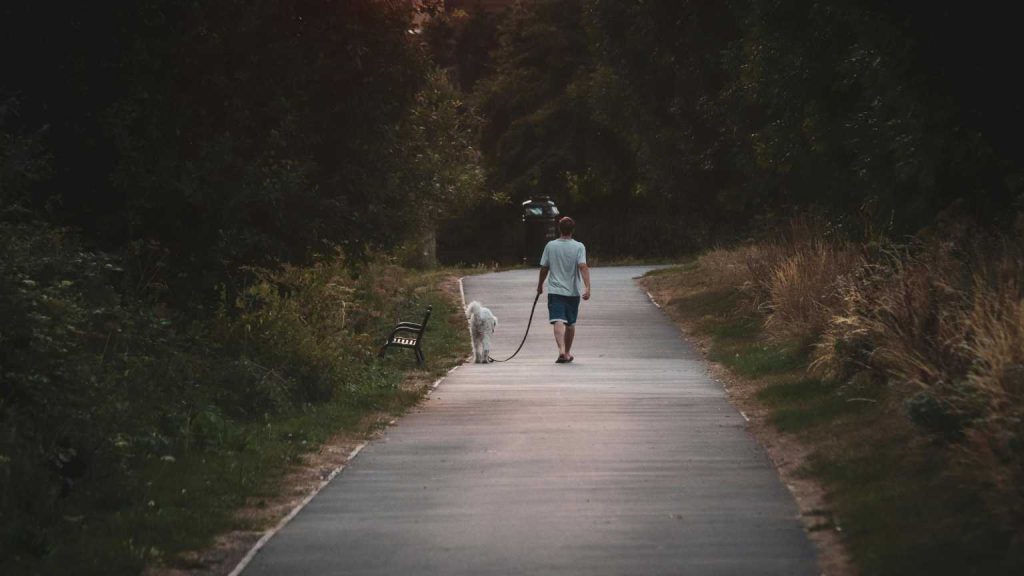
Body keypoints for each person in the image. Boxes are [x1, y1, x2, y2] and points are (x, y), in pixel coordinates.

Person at [536, 216, 591, 363]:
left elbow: (544, 268)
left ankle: (561, 350)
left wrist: (540, 285)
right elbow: (583, 267)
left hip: (555, 291)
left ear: (559, 229)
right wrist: (587, 287)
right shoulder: (579, 247)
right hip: (573, 291)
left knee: (558, 319)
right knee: (570, 324)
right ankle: (567, 352)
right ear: (573, 230)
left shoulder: (550, 246)